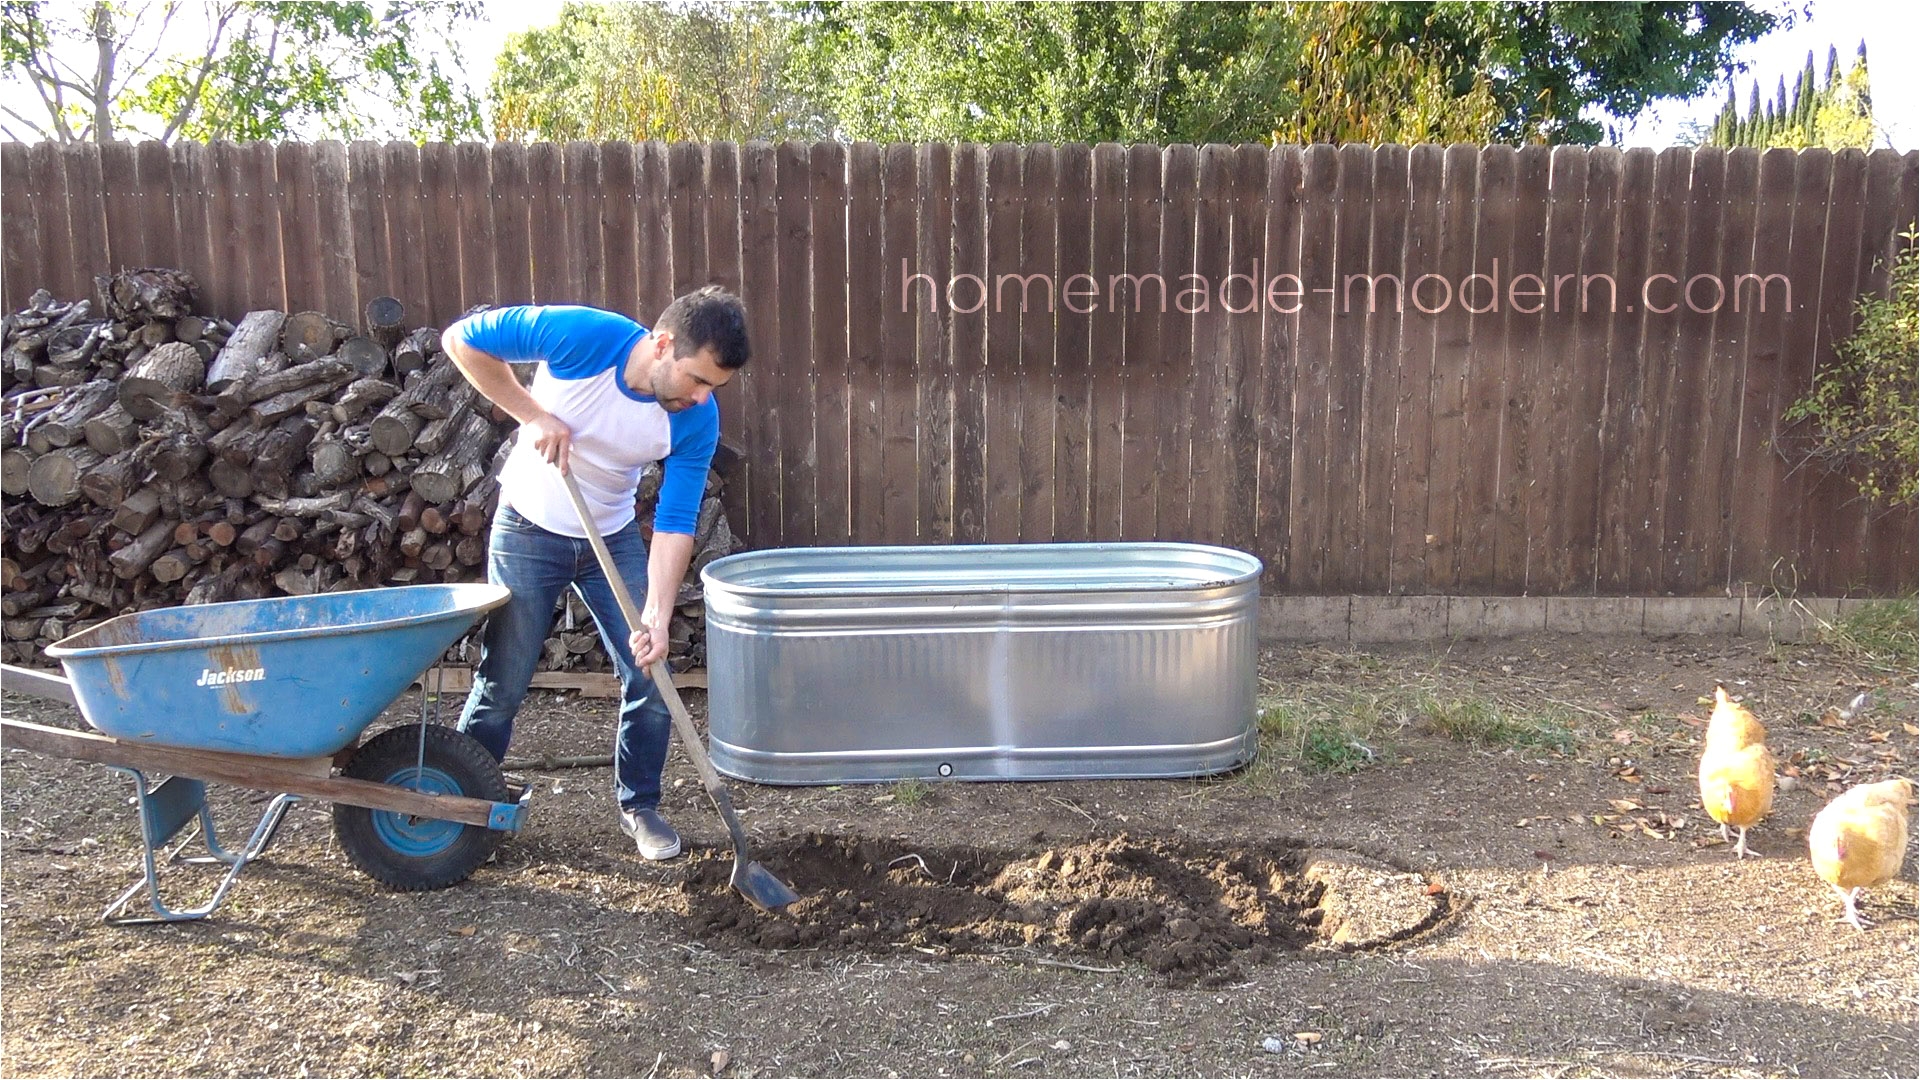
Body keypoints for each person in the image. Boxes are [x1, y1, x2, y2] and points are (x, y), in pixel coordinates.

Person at [440, 287, 750, 860]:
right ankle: (463, 806)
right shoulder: (584, 336)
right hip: (530, 526)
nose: (703, 396)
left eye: (715, 387)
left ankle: (641, 805)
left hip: (609, 534)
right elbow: (460, 339)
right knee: (504, 680)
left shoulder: (696, 418)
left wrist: (656, 614)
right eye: (697, 379)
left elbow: (677, 521)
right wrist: (534, 416)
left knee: (649, 670)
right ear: (662, 345)